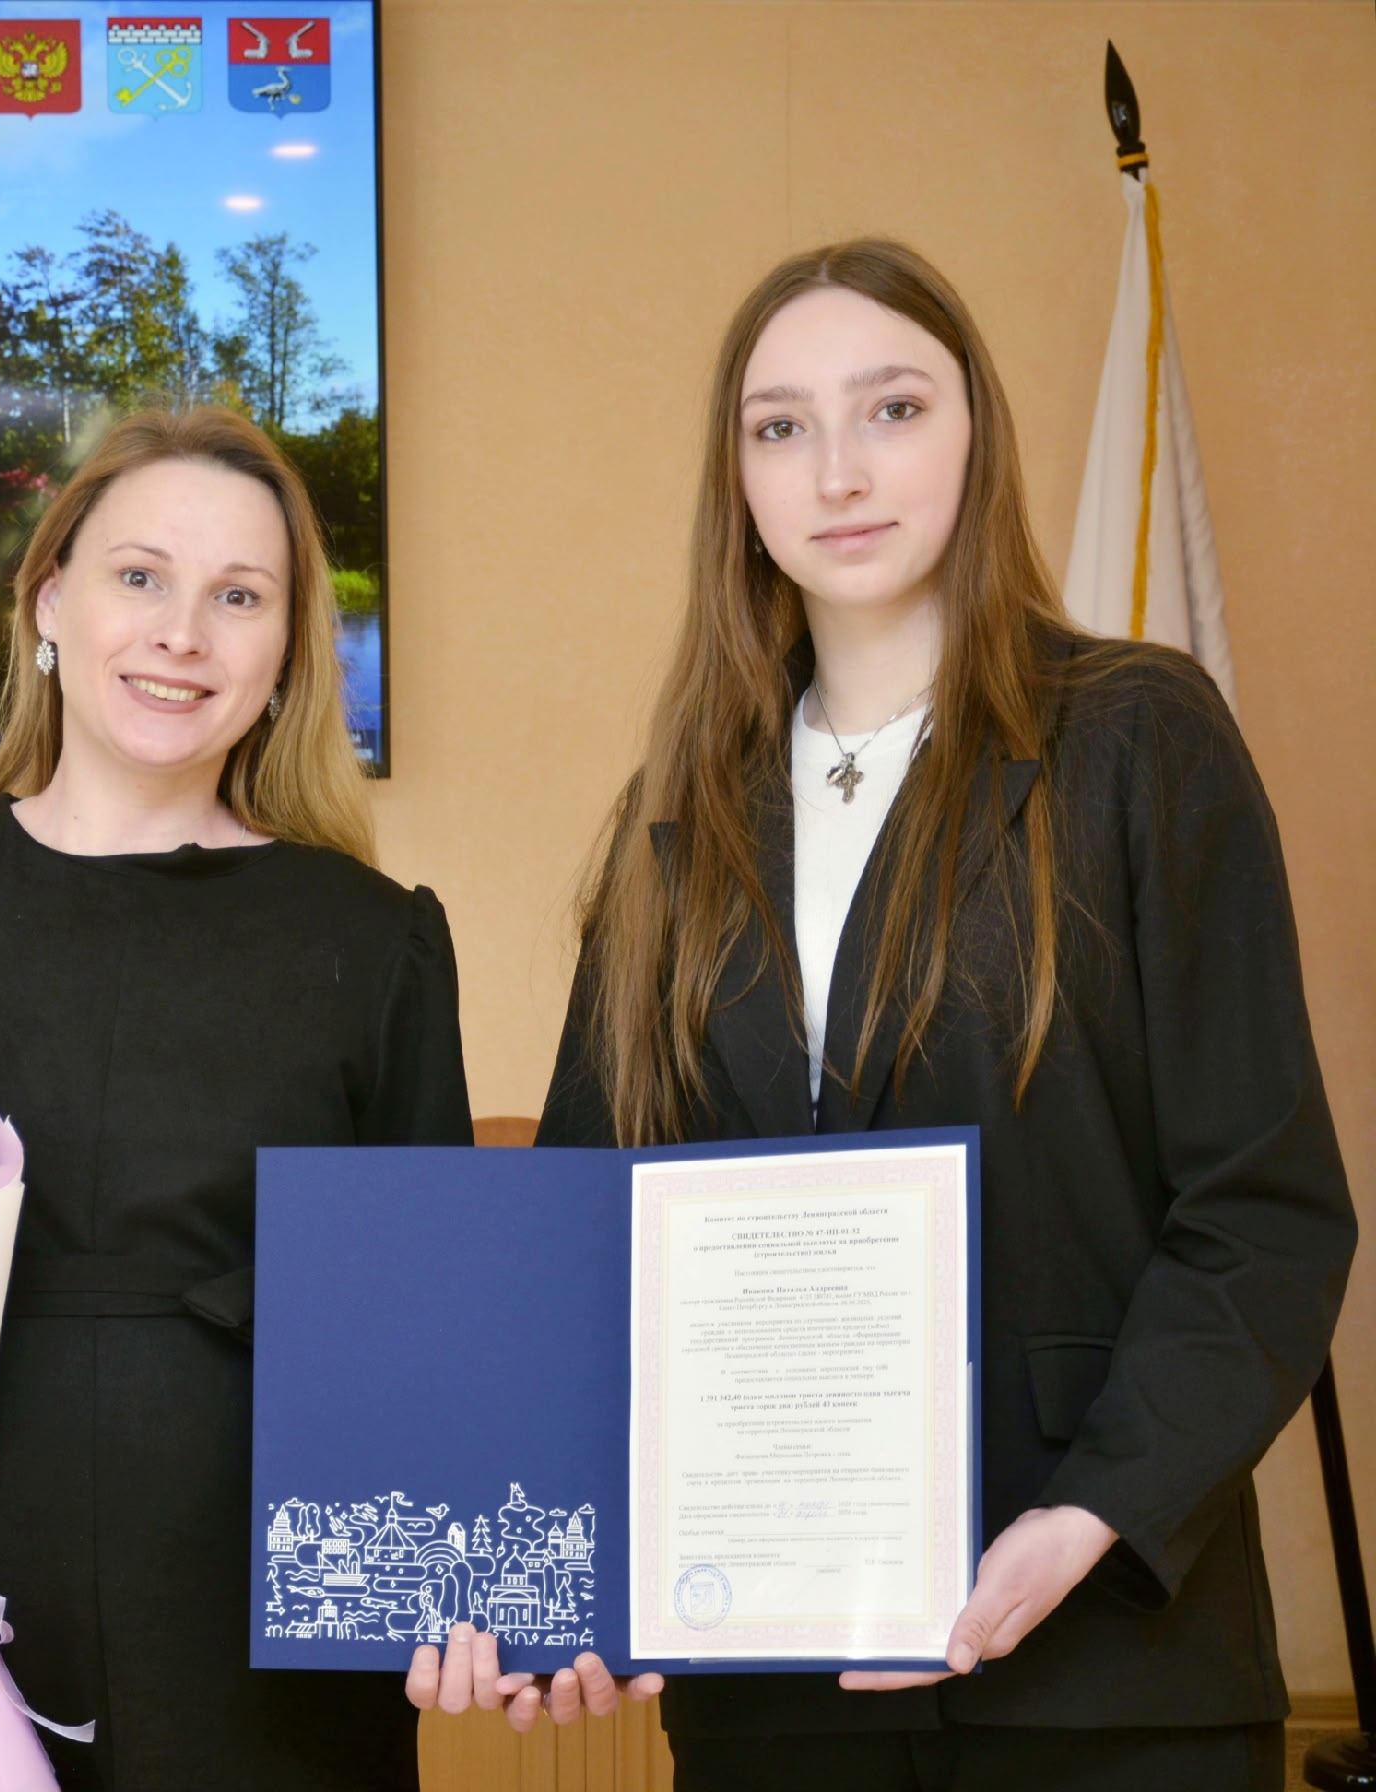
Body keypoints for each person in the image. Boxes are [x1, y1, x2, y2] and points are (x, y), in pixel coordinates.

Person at [524, 239, 1353, 1789]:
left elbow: (1264, 1210)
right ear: (738, 484)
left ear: (977, 433)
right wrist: (552, 1582)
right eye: (781, 427)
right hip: (774, 1696)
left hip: (1108, 1674)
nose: (837, 470)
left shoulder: (1137, 737)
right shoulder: (676, 818)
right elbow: (587, 1236)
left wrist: (1088, 1517)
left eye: (892, 408)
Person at [0, 408, 472, 1790]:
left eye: (238, 597)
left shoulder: (378, 941)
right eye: (140, 577)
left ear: (286, 651)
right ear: (50, 600)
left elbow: (426, 1332)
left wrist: (469, 1587)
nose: (181, 633)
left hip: (267, 1641)